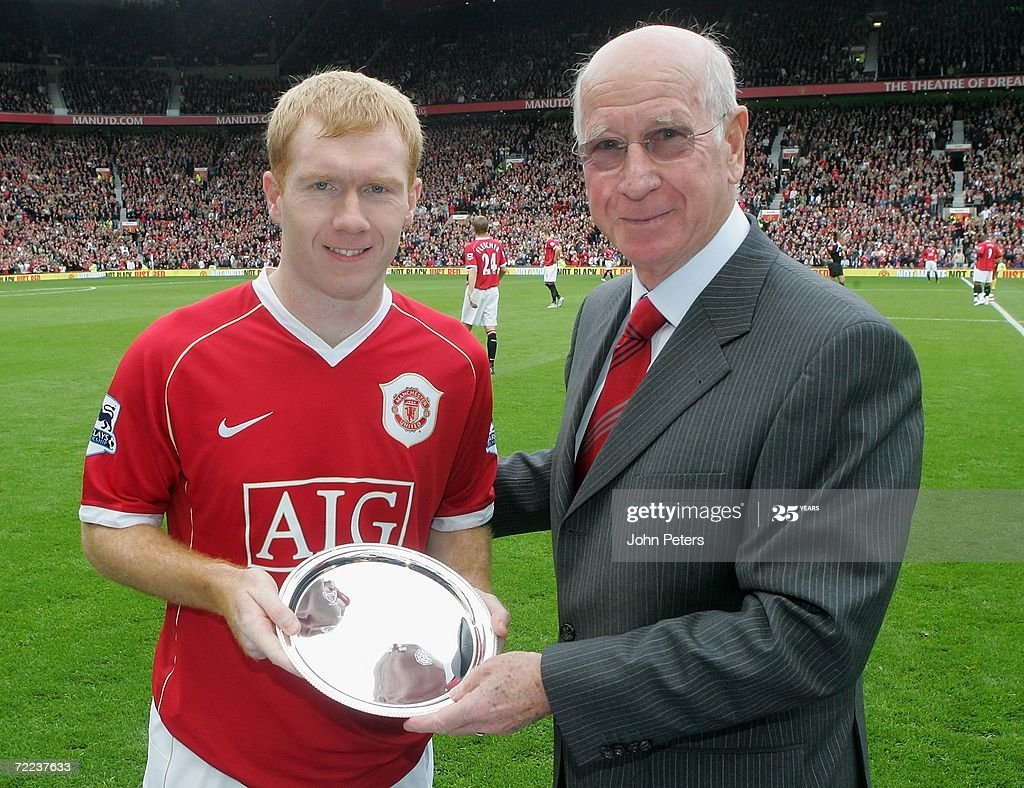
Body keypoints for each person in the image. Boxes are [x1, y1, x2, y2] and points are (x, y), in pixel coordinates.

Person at [406, 25, 923, 788]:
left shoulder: (842, 349)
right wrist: (406, 487)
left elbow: (809, 634)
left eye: (668, 136)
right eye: (605, 148)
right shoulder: (606, 309)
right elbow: (605, 475)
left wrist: (556, 681)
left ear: (737, 140)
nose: (634, 177)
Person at [80, 70, 505, 788]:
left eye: (378, 188)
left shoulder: (456, 361)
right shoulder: (175, 354)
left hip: (394, 754)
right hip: (213, 753)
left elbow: (460, 520)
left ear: (414, 200)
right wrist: (218, 583)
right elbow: (108, 528)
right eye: (321, 186)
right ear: (274, 194)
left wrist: (467, 599)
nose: (351, 218)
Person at [460, 214, 507, 373]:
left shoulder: (471, 247)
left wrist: (471, 292)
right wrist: (496, 280)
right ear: (487, 228)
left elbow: (473, 270)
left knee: (465, 326)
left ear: (473, 228)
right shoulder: (498, 244)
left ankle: (460, 359)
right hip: (493, 290)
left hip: (479, 289)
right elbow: (504, 269)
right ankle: (491, 364)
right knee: (491, 328)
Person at [973, 234, 1002, 305]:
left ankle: (980, 298)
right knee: (987, 283)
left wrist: (977, 253)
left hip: (982, 266)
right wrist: (992, 261)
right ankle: (986, 298)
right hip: (990, 267)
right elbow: (999, 257)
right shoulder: (994, 245)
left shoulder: (982, 244)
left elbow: (980, 253)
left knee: (977, 282)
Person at [541, 229, 566, 308]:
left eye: (542, 235)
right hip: (548, 264)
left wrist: (555, 258)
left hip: (550, 264)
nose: (542, 237)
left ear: (546, 234)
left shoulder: (549, 241)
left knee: (550, 283)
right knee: (547, 283)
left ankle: (554, 302)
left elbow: (557, 249)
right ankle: (559, 297)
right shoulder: (552, 241)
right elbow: (560, 247)